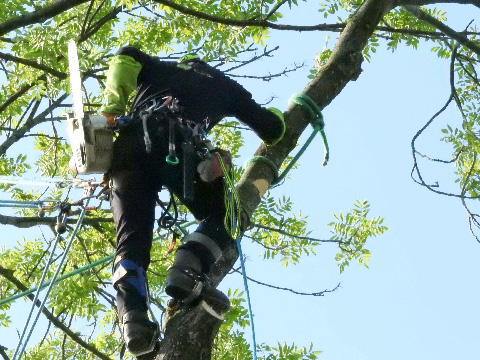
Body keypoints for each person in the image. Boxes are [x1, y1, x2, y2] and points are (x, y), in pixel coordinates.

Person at [100, 46, 285, 356]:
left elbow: (125, 55)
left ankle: (133, 320)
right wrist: (284, 114)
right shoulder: (226, 88)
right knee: (229, 216)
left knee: (129, 244)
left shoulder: (158, 69)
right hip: (178, 149)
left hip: (128, 153)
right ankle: (187, 268)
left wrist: (113, 108)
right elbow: (273, 130)